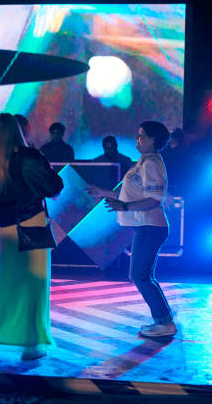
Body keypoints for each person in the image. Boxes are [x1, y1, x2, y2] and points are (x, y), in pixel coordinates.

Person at [0, 113, 63, 360]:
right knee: (34, 286)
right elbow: (54, 188)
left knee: (3, 283)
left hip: (6, 229)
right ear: (20, 132)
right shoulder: (31, 157)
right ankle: (32, 344)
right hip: (33, 224)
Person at [87, 121, 176, 338]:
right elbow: (129, 193)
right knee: (142, 275)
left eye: (141, 136)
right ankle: (164, 320)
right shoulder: (143, 162)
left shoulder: (151, 163)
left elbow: (155, 199)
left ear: (153, 139)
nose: (138, 139)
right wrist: (102, 192)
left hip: (151, 226)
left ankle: (164, 322)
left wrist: (125, 206)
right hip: (146, 227)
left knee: (140, 275)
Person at [160, 127, 185, 195]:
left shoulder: (182, 151)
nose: (171, 139)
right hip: (165, 178)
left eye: (173, 137)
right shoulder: (164, 150)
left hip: (177, 180)